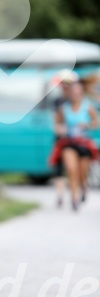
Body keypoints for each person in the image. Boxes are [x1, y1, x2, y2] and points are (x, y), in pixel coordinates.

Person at [50, 79, 98, 210]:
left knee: (82, 173)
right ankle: (74, 198)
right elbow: (57, 125)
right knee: (72, 170)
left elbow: (95, 123)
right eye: (73, 92)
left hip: (84, 143)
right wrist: (60, 129)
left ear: (81, 93)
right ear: (69, 93)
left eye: (78, 92)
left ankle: (83, 186)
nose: (75, 94)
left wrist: (86, 125)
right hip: (69, 142)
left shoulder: (88, 107)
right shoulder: (63, 109)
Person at [51, 70, 79, 208]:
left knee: (74, 167)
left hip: (75, 138)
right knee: (59, 167)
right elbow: (55, 120)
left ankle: (75, 194)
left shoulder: (76, 100)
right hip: (61, 138)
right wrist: (59, 128)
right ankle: (60, 195)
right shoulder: (57, 101)